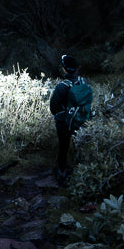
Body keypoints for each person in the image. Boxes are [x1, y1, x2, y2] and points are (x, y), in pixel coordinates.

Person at [49, 54, 89, 182]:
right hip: (81, 122)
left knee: (64, 148)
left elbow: (53, 108)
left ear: (64, 69)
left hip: (64, 124)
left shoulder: (61, 86)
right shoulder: (83, 82)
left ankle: (62, 173)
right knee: (80, 146)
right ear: (77, 69)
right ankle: (82, 173)